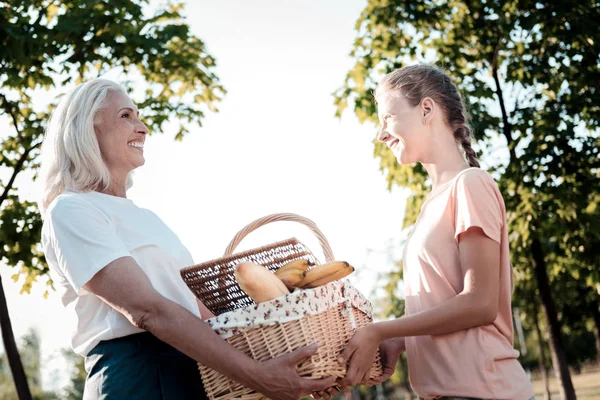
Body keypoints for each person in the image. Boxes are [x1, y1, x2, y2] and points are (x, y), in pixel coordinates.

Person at [38, 78, 336, 400]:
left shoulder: (148, 218)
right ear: (87, 129)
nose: (142, 128)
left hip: (196, 371)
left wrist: (291, 367)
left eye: (138, 116)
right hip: (138, 377)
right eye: (126, 116)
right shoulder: (71, 210)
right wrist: (257, 376)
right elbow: (146, 310)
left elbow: (201, 313)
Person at [331, 65, 535, 400]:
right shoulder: (430, 206)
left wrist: (381, 330)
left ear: (426, 109)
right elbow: (444, 310)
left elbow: (480, 304)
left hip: (487, 392)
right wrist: (399, 341)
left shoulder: (470, 184)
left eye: (387, 118)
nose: (381, 134)